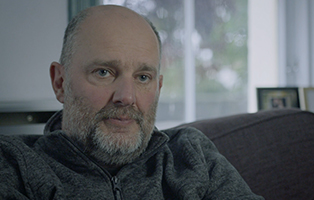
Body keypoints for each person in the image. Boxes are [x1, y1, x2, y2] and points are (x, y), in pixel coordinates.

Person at [0, 5, 263, 199]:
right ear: (60, 83)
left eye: (143, 77)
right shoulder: (14, 165)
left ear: (158, 88)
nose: (126, 97)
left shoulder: (192, 156)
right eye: (104, 72)